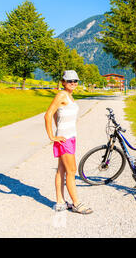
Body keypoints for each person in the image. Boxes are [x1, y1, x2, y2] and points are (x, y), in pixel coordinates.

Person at [44, 70, 93, 215]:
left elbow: (56, 115)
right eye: (70, 80)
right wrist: (52, 136)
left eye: (75, 80)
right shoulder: (61, 95)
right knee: (72, 171)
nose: (73, 83)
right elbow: (48, 115)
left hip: (70, 137)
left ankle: (60, 202)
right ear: (63, 82)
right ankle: (76, 203)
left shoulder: (69, 96)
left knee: (62, 170)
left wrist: (58, 126)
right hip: (64, 139)